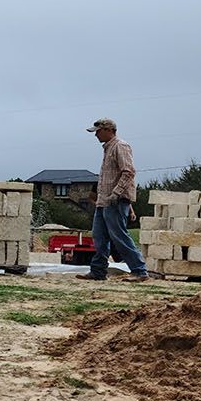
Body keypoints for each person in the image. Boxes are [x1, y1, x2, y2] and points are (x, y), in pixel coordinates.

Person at [85, 117, 148, 281]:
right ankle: (98, 271)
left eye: (98, 131)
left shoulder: (120, 146)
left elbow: (129, 171)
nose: (96, 135)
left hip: (115, 201)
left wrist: (116, 193)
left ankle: (139, 270)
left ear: (108, 130)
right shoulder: (107, 148)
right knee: (100, 237)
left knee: (119, 236)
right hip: (103, 201)